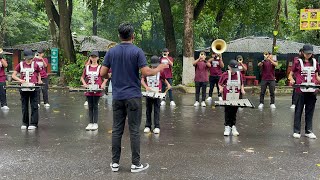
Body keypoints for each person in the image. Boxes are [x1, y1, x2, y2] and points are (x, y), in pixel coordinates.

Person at [100, 23, 168, 173]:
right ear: (133, 36)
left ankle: (115, 163)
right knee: (134, 130)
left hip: (117, 97)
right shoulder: (137, 51)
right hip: (133, 97)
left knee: (117, 130)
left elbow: (102, 72)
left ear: (119, 36)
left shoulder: (112, 52)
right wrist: (159, 68)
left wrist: (109, 76)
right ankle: (135, 164)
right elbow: (146, 71)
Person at [288, 44, 320, 139]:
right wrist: (292, 80)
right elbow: (290, 75)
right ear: (302, 52)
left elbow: (317, 76)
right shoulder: (298, 62)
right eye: (306, 53)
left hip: (312, 90)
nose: (308, 55)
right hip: (300, 90)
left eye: (310, 53)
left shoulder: (315, 62)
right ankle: (296, 131)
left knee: (310, 111)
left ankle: (308, 131)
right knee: (298, 110)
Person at [12, 49, 41, 130]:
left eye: (31, 58)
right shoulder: (20, 65)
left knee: (34, 105)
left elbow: (38, 72)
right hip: (23, 87)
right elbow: (13, 75)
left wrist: (39, 80)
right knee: (24, 105)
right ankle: (25, 123)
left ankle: (33, 123)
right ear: (25, 57)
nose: (30, 60)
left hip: (33, 87)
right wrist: (20, 80)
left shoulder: (35, 64)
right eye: (28, 58)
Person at [141, 55, 171, 134]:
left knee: (157, 110)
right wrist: (146, 87)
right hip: (149, 93)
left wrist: (168, 84)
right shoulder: (147, 71)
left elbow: (164, 79)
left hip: (157, 93)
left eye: (156, 66)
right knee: (148, 110)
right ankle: (148, 126)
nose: (154, 67)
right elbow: (142, 80)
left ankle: (157, 126)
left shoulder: (160, 71)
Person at [81, 51, 107, 131]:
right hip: (89, 89)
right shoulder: (87, 67)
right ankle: (90, 122)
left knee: (95, 106)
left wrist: (103, 84)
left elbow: (106, 77)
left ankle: (95, 123)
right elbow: (82, 77)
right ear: (90, 58)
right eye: (92, 57)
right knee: (90, 106)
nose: (93, 58)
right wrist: (84, 84)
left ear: (98, 58)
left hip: (97, 89)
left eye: (95, 57)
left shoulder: (100, 67)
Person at [218, 60, 245, 136]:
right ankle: (227, 126)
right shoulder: (225, 75)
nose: (234, 71)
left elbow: (241, 83)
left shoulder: (239, 74)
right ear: (229, 67)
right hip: (227, 96)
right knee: (227, 110)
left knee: (234, 111)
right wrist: (220, 89)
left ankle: (233, 126)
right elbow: (220, 83)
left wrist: (242, 89)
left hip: (236, 96)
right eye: (232, 69)